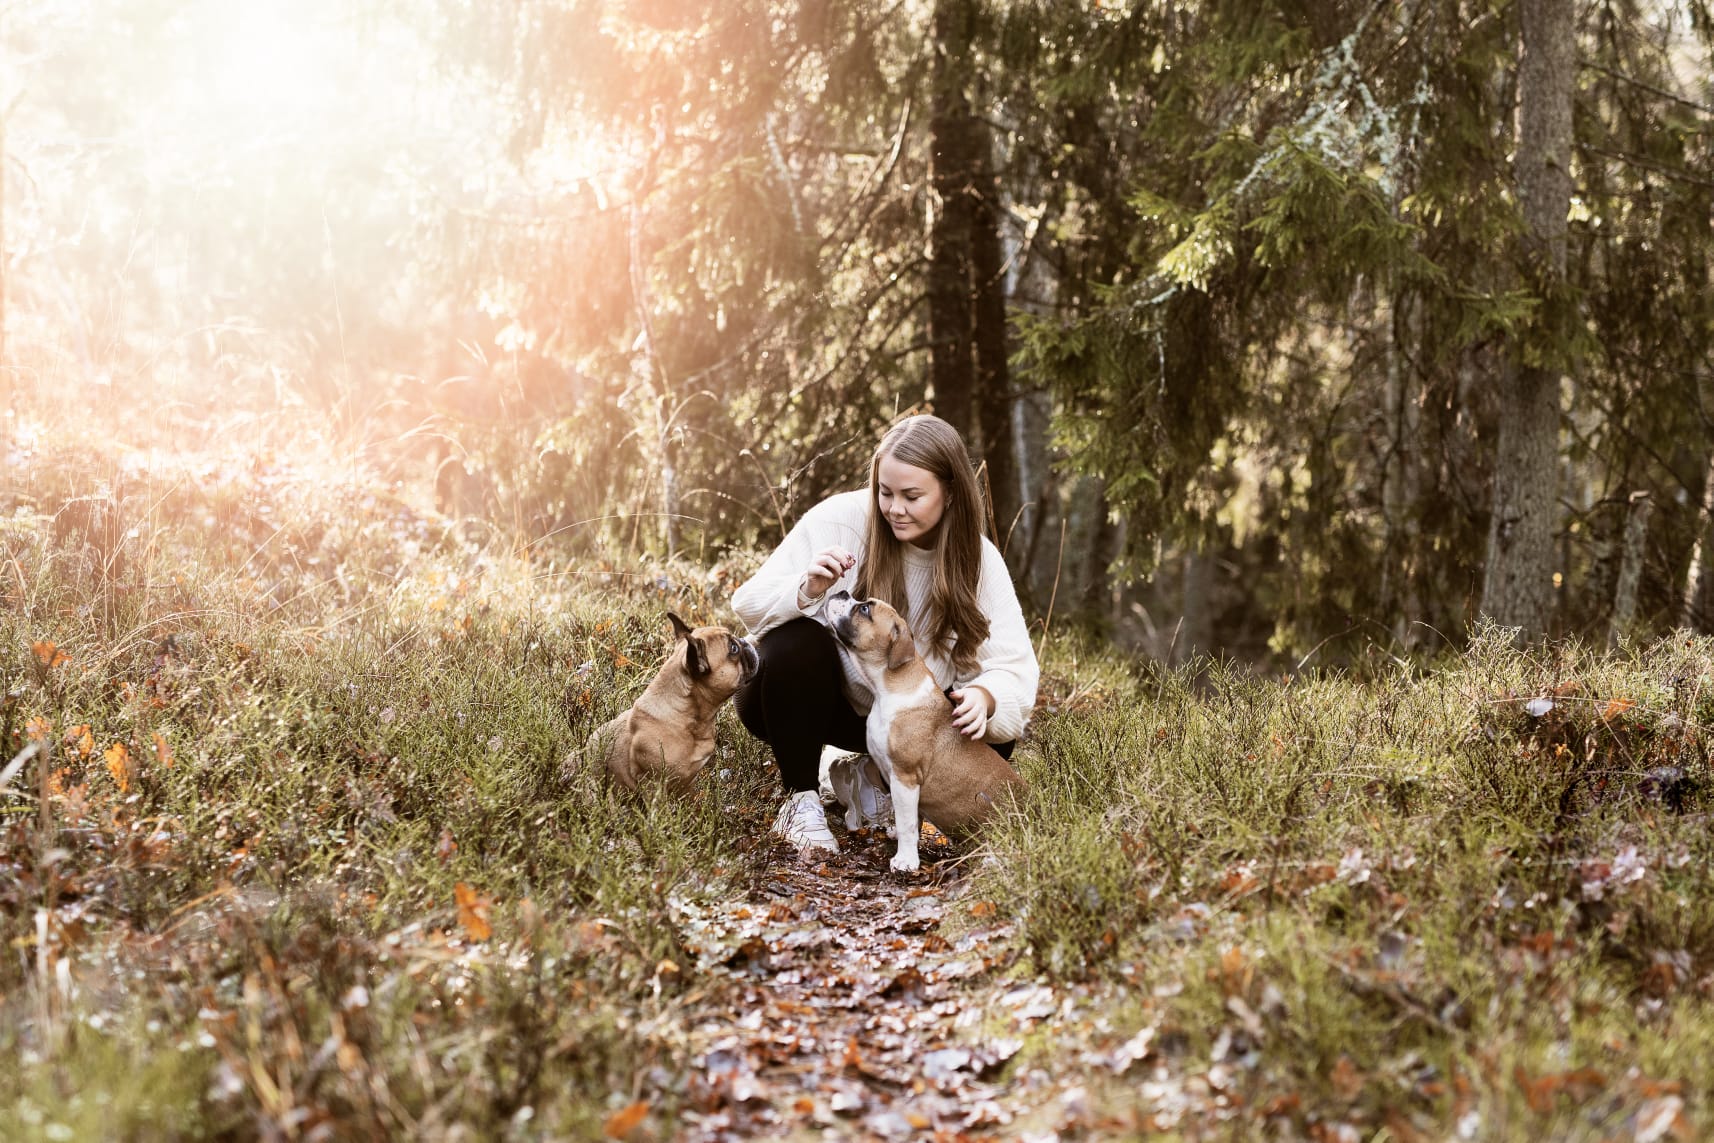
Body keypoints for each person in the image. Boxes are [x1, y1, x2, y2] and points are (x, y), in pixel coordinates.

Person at [731, 414, 1039, 853]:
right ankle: (801, 800)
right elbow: (747, 604)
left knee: (989, 735)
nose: (894, 508)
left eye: (912, 496)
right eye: (885, 491)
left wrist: (986, 698)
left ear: (950, 493)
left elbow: (1015, 669)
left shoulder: (978, 562)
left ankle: (871, 778)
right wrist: (805, 589)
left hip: (904, 723)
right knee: (794, 641)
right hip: (810, 703)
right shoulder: (842, 519)